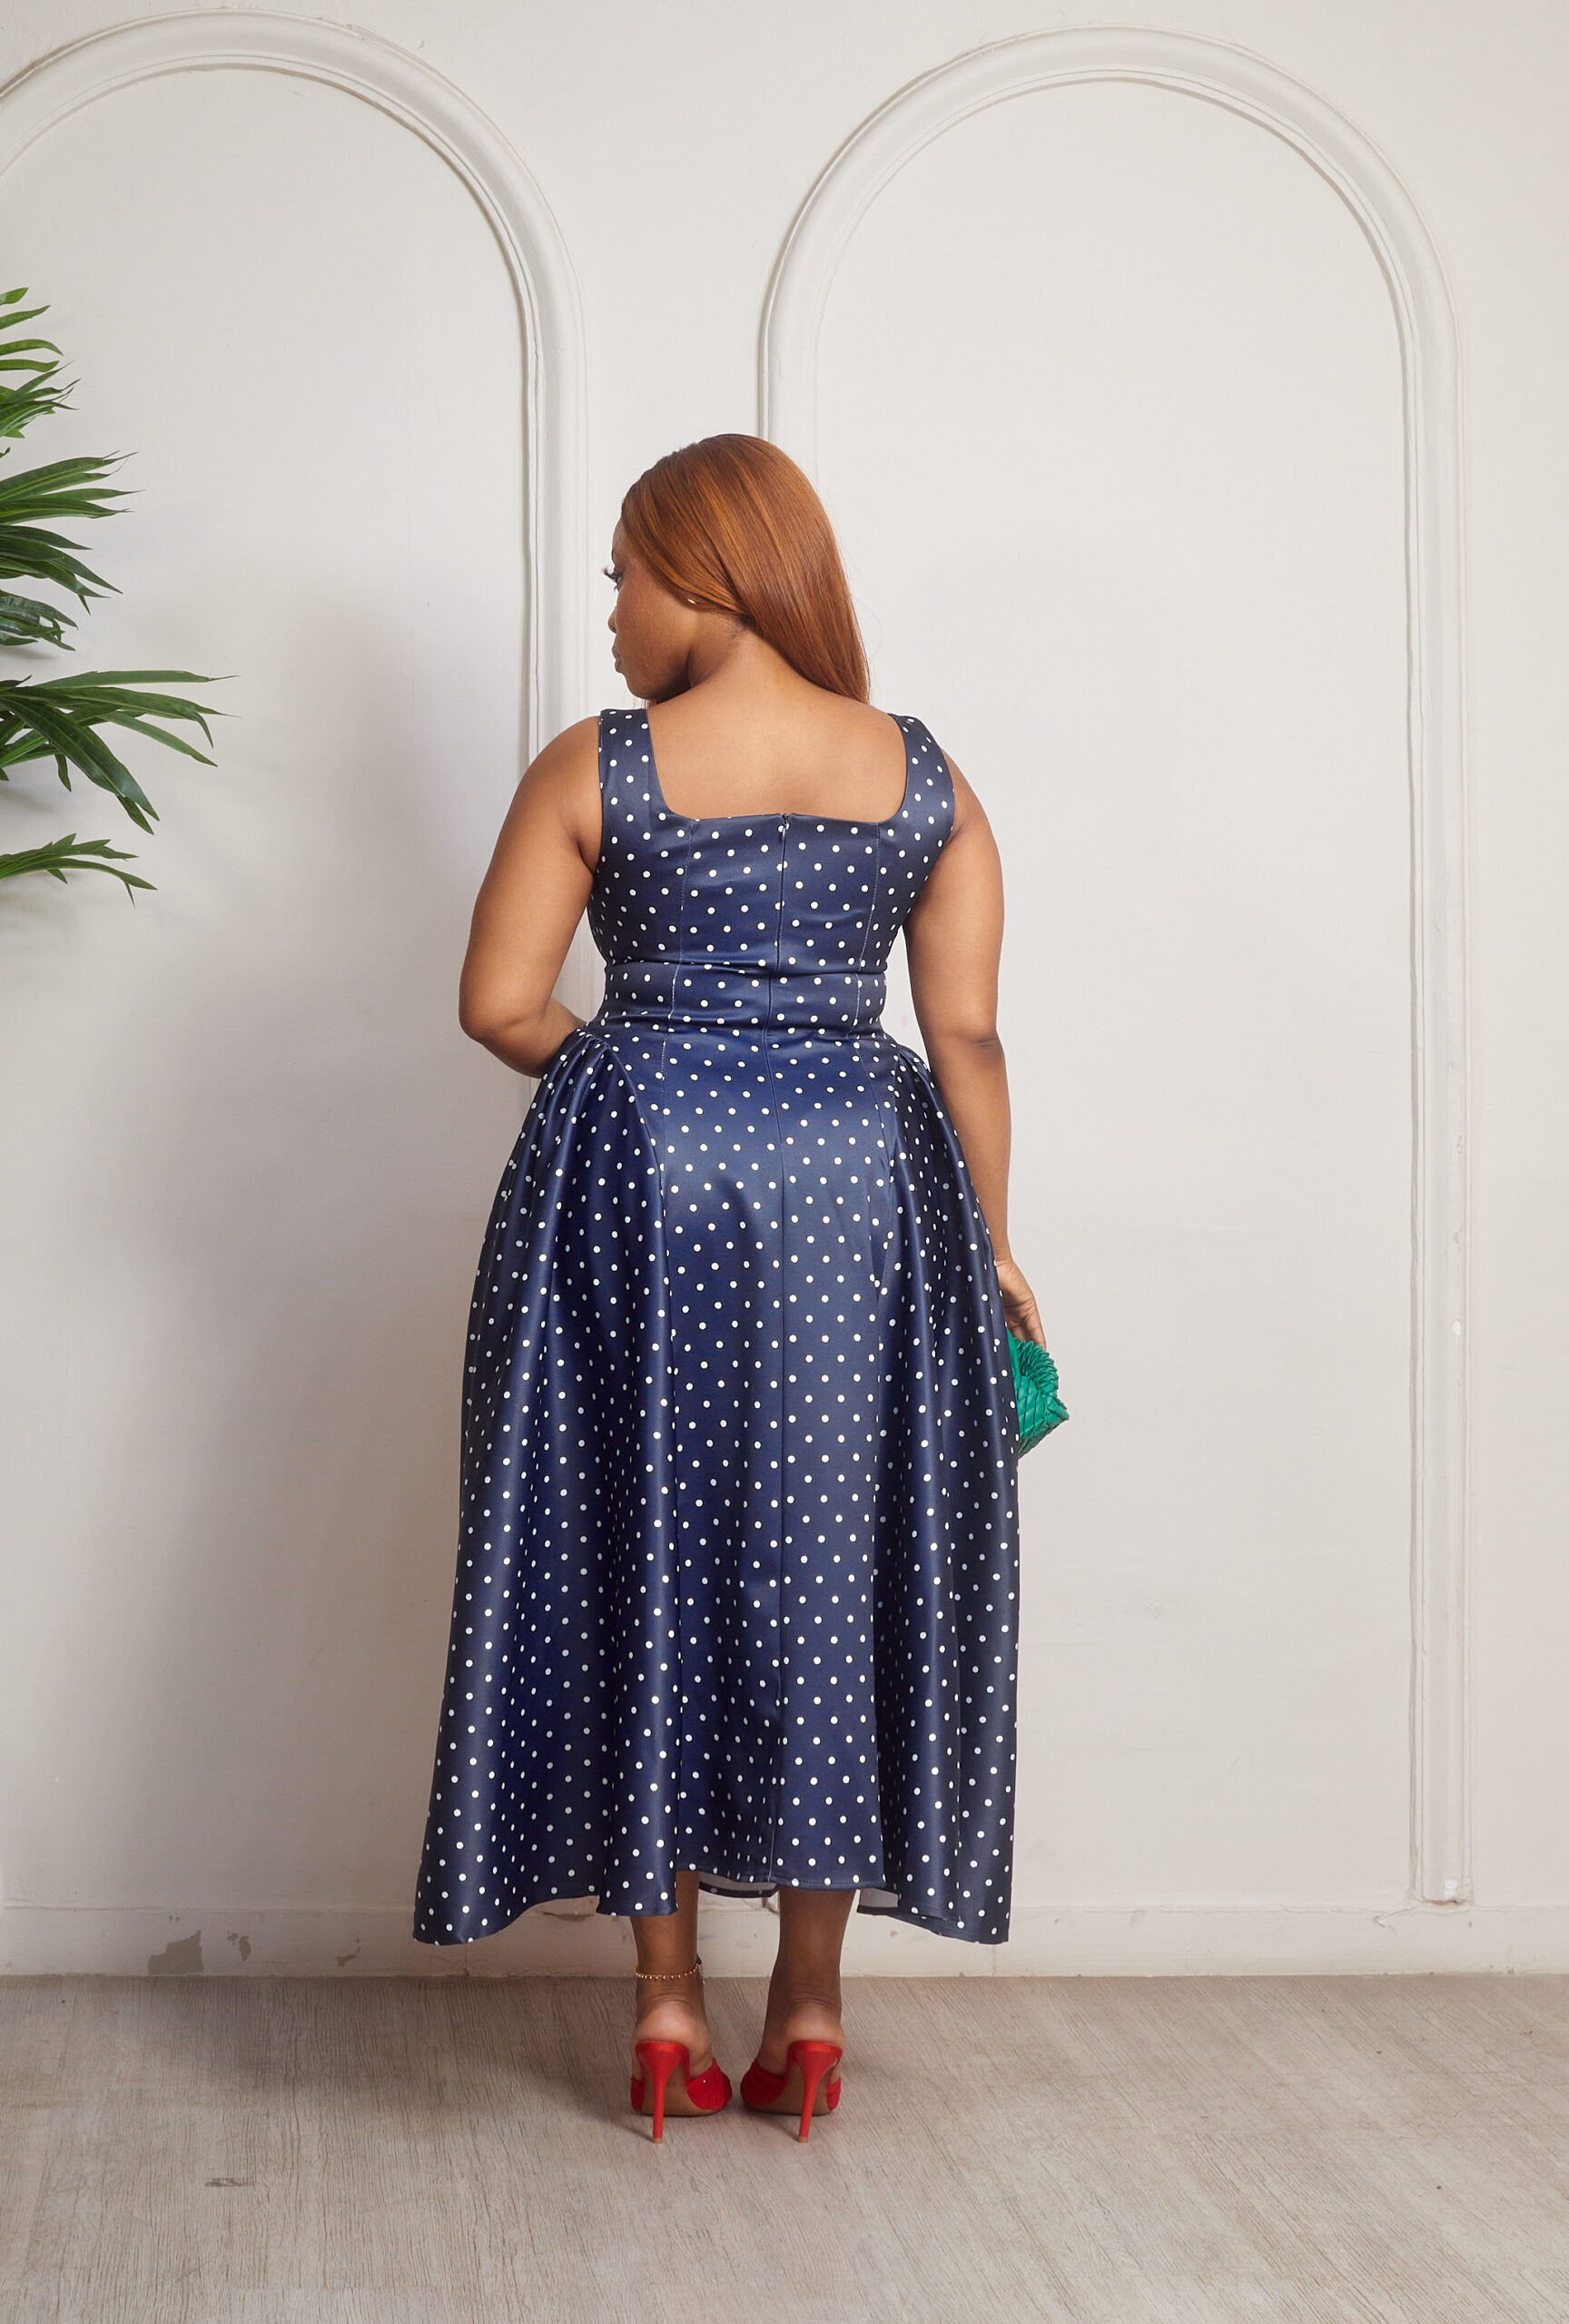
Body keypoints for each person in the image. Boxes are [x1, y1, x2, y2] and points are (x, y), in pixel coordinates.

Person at [410, 433, 1044, 2142]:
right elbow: (968, 1035)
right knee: (834, 1570)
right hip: (862, 1195)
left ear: (703, 575)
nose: (612, 614)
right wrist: (989, 1244)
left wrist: (639, 1077)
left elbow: (499, 1004)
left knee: (643, 1550)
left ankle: (669, 2004)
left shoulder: (597, 767)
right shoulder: (923, 776)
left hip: (645, 1190)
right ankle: (813, 2012)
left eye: (622, 577)